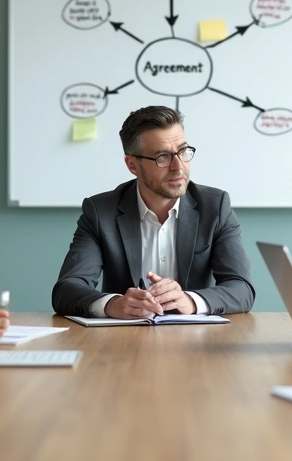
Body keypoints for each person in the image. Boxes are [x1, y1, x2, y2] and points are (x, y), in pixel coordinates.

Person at [52, 106, 255, 318]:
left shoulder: (215, 207)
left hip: (195, 342)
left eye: (183, 152)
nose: (178, 166)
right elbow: (66, 289)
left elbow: (242, 288)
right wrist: (112, 304)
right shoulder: (100, 212)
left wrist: (190, 301)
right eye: (162, 157)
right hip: (122, 341)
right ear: (133, 165)